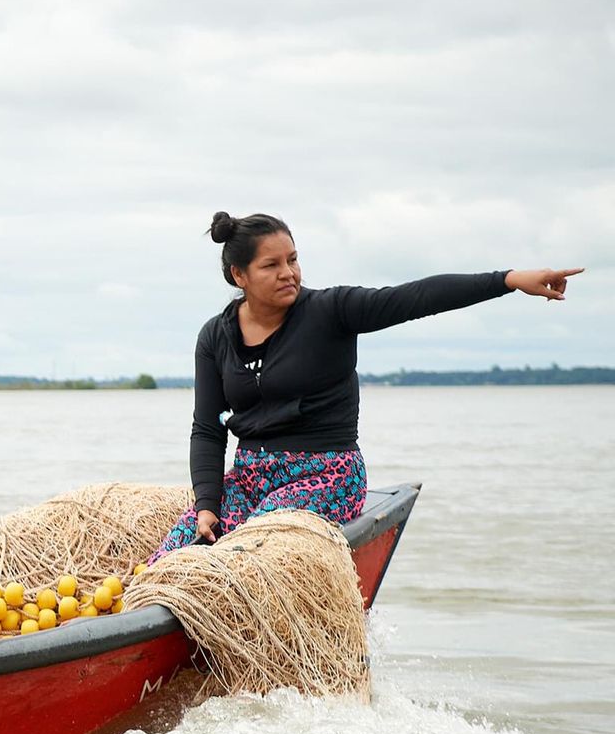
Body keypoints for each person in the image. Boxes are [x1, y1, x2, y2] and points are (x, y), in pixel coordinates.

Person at [152, 210, 581, 561]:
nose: (289, 273)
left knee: (251, 551)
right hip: (249, 478)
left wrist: (507, 280)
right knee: (175, 553)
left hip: (327, 473)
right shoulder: (216, 335)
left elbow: (417, 297)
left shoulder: (331, 311)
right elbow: (208, 428)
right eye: (272, 265)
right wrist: (208, 504)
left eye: (293, 259)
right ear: (239, 275)